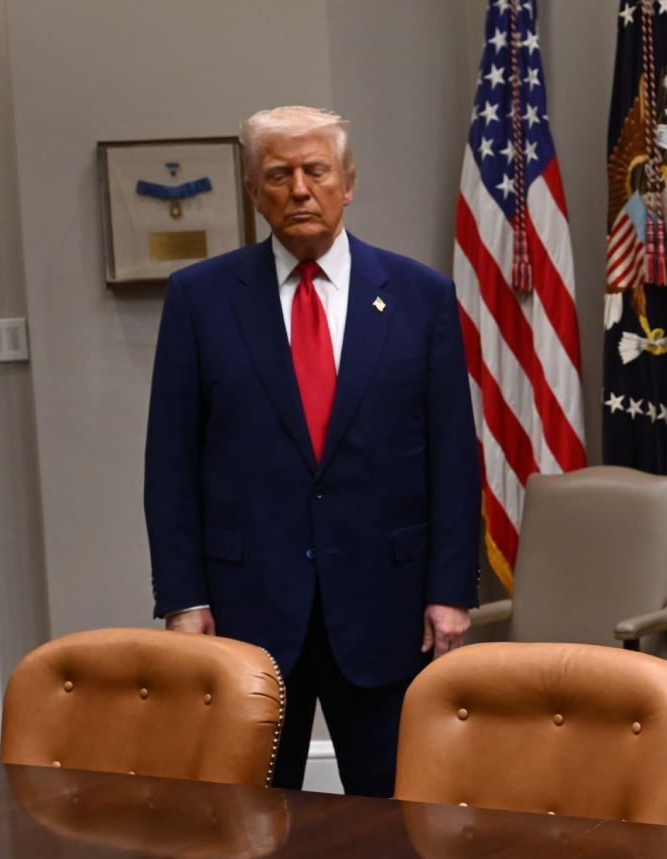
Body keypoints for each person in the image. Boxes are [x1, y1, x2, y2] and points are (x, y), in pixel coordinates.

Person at [144, 106, 481, 797]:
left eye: (316, 171)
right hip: (245, 610)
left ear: (347, 183)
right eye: (279, 174)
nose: (299, 189)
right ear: (253, 191)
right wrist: (183, 597)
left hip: (387, 609)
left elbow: (452, 460)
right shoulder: (200, 299)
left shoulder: (421, 297)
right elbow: (170, 464)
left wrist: (450, 590)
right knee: (248, 822)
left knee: (395, 822)